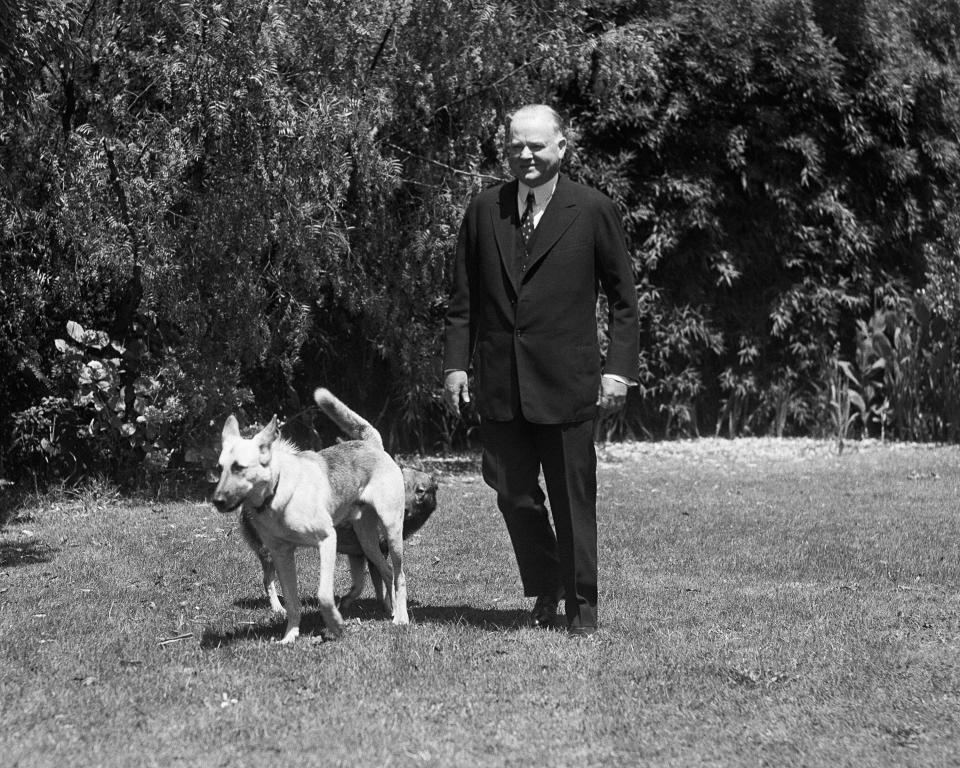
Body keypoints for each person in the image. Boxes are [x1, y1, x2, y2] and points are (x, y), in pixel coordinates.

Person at [442, 104, 639, 637]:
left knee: (574, 497)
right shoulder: (485, 210)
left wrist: (617, 371)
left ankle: (581, 608)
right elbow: (463, 302)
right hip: (502, 382)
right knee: (511, 491)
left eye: (536, 146)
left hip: (568, 382)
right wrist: (455, 367)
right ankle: (548, 579)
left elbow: (624, 300)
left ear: (561, 148)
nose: (525, 156)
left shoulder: (593, 210)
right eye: (514, 147)